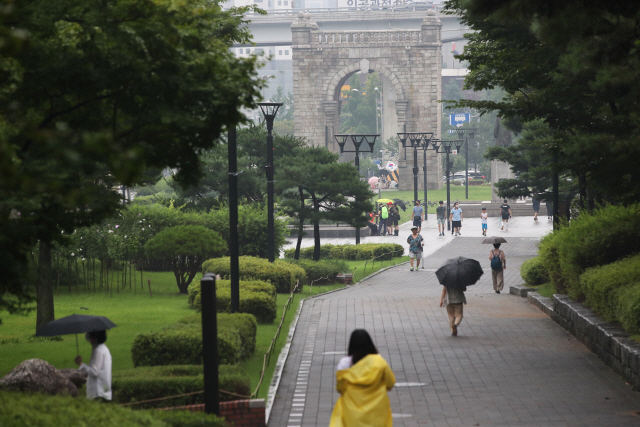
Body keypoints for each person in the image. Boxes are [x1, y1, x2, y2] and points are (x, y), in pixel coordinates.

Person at [330, 329, 396, 427]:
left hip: (351, 411)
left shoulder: (345, 363)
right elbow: (390, 384)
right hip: (377, 411)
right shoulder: (379, 362)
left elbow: (340, 388)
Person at [75, 330, 112, 401]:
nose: (89, 340)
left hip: (98, 392)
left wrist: (81, 364)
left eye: (90, 337)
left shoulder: (98, 350)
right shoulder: (103, 348)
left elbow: (94, 371)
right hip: (103, 391)